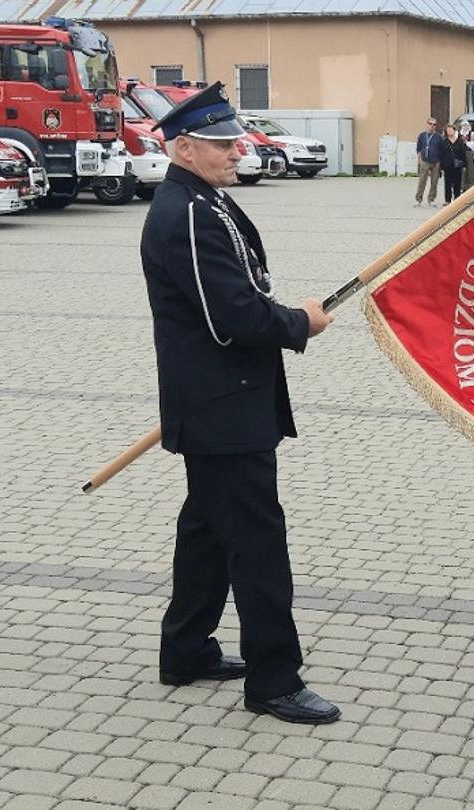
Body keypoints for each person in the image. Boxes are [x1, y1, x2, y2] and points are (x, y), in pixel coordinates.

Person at [140, 81, 340, 725]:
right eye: (223, 143)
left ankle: (186, 648)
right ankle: (275, 678)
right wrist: (298, 322)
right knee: (256, 543)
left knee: (205, 530)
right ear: (186, 147)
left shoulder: (205, 200)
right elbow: (232, 318)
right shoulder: (189, 212)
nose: (238, 150)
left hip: (224, 401)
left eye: (237, 139)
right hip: (223, 408)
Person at [413, 117, 443, 207]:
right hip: (424, 160)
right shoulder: (422, 136)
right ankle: (418, 199)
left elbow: (441, 150)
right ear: (427, 124)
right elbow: (418, 148)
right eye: (430, 124)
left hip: (436, 161)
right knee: (422, 180)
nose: (432, 126)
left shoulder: (439, 137)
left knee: (434, 181)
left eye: (434, 125)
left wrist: (441, 163)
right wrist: (419, 160)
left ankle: (431, 199)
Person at [440, 125, 468, 203]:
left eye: (451, 129)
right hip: (447, 165)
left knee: (457, 183)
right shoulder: (444, 142)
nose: (449, 131)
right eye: (448, 130)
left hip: (457, 165)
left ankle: (457, 199)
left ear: (454, 130)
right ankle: (447, 200)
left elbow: (463, 154)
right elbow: (441, 154)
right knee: (448, 183)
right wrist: (441, 166)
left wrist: (464, 165)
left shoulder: (460, 141)